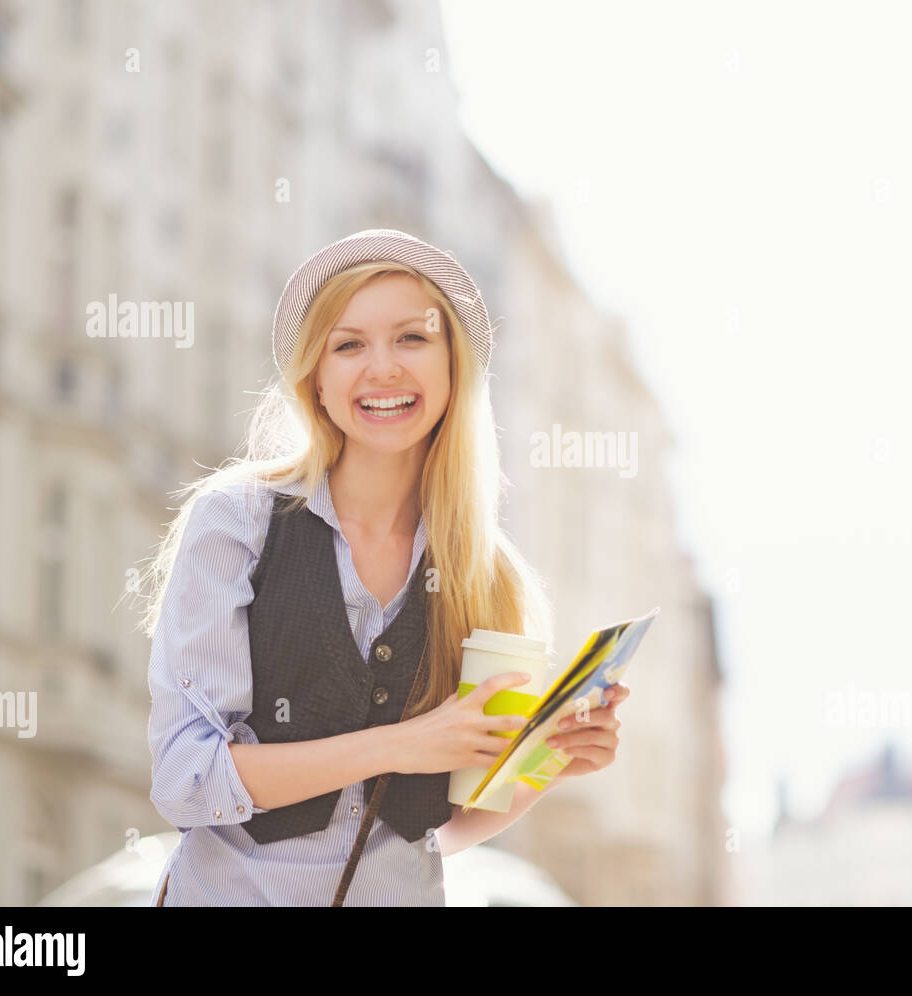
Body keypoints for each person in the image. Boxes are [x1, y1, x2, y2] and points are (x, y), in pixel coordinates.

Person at [128, 230, 629, 906]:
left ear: (454, 366)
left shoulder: (488, 572)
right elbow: (188, 780)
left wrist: (548, 762)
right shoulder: (237, 523)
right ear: (318, 380)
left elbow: (437, 828)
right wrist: (402, 744)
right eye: (349, 344)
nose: (383, 368)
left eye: (413, 339)